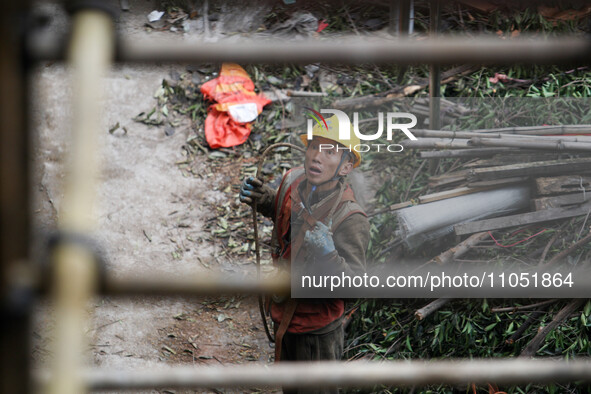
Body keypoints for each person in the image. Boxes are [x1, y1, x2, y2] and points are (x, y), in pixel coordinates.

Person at [239, 115, 370, 393]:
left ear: (346, 165)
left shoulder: (350, 218)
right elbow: (287, 213)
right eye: (313, 146)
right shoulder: (291, 181)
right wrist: (264, 199)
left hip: (317, 332)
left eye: (330, 152)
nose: (316, 157)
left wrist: (329, 256)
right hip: (283, 314)